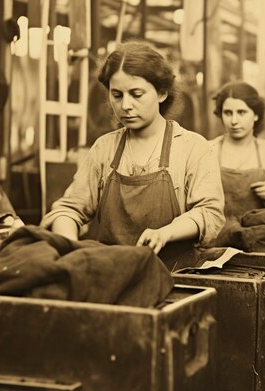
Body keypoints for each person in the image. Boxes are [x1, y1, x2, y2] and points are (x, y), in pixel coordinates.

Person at [41, 41, 225, 261]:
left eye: (136, 94)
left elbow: (209, 214)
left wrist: (166, 232)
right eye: (117, 95)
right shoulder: (104, 149)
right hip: (114, 271)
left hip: (175, 275)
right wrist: (70, 245)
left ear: (162, 93)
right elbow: (69, 209)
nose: (125, 105)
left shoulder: (193, 148)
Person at [211, 81, 265, 219]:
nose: (234, 121)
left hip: (258, 230)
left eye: (241, 112)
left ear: (256, 115)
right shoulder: (209, 151)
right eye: (228, 113)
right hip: (218, 231)